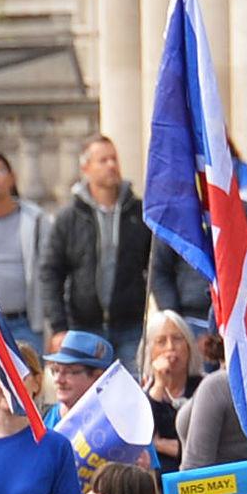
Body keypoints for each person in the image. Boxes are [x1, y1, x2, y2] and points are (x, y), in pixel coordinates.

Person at [37, 135, 152, 349]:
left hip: (131, 327)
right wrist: (59, 327)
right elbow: (50, 273)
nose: (111, 165)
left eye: (114, 159)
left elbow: (156, 266)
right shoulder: (69, 218)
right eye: (103, 160)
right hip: (83, 328)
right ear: (86, 168)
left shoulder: (138, 213)